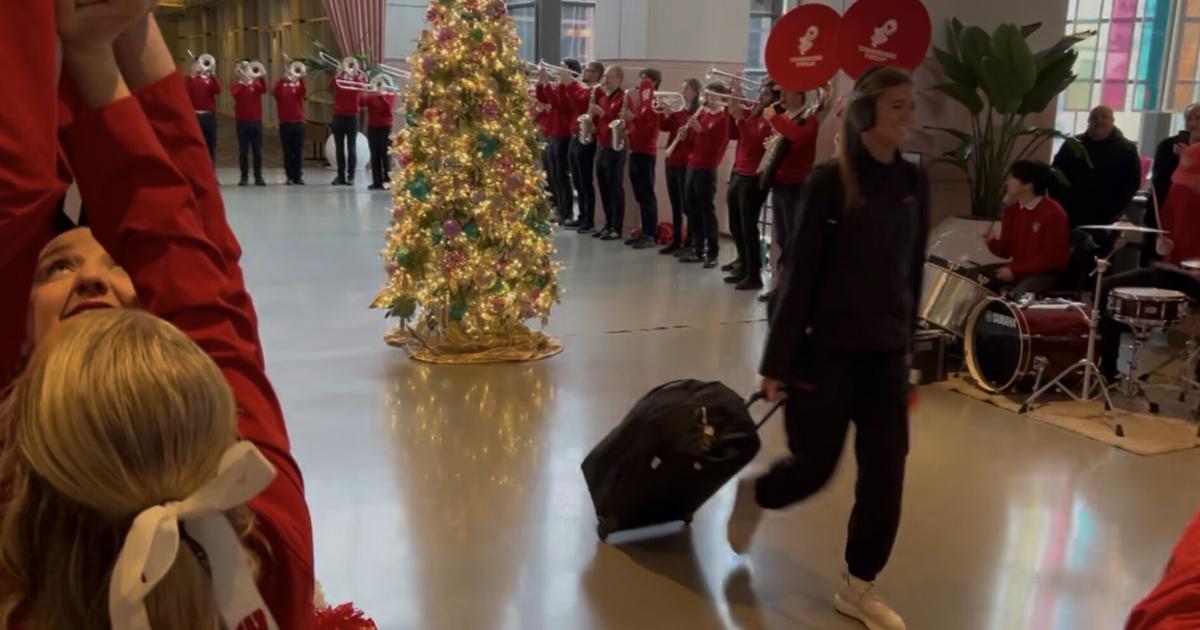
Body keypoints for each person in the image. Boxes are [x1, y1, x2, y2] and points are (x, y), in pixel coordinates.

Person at [1, 5, 314, 628]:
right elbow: (194, 250)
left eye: (120, 265)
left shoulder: (15, 557)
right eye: (59, 267)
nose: (92, 277)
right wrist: (110, 41)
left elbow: (17, 201)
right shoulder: (259, 540)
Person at [727, 66, 927, 630]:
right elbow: (798, 278)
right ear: (867, 113)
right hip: (827, 352)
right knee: (815, 467)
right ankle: (760, 493)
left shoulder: (914, 182)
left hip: (886, 357)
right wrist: (777, 363)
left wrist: (909, 354)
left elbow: (911, 273)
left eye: (911, 104)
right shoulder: (828, 183)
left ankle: (860, 585)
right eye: (897, 105)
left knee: (886, 473)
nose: (908, 115)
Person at [1099, 143, 1200, 384]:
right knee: (1107, 287)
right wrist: (1162, 243)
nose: (1186, 184)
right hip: (1173, 271)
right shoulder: (1178, 191)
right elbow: (1165, 231)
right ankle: (1108, 371)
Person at [762, 82, 832, 270]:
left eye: (787, 91)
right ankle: (783, 275)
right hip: (779, 181)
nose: (782, 95)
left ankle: (791, 276)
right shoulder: (786, 116)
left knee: (793, 235)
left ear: (800, 95)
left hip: (796, 184)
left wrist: (774, 118)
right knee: (781, 235)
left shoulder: (809, 118)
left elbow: (798, 136)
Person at [979, 160, 1070, 296]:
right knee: (978, 278)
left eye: (1013, 178)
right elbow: (1006, 251)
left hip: (1046, 273)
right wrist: (991, 240)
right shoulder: (1011, 211)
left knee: (1022, 293)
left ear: (1028, 184)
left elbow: (1051, 258)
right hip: (1019, 268)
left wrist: (1015, 271)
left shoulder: (1054, 212)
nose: (1007, 182)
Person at [723, 80, 781, 290]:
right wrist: (732, 111)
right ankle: (743, 263)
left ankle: (753, 273)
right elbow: (733, 134)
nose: (760, 97)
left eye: (766, 94)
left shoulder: (773, 117)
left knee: (748, 226)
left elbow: (755, 142)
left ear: (775, 98)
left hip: (754, 175)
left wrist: (740, 119)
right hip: (739, 170)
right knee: (735, 223)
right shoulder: (755, 113)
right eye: (761, 93)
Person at [1051, 105, 1142, 232]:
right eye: (1094, 117)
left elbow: (1131, 183)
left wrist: (1113, 210)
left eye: (1104, 117)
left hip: (1107, 217)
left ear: (1112, 120)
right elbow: (1056, 174)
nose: (1099, 120)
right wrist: (1061, 204)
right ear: (1088, 121)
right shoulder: (1073, 144)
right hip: (1071, 213)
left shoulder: (1126, 149)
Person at [680, 83, 733, 268]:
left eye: (713, 95)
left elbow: (717, 145)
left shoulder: (723, 118)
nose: (709, 98)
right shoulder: (702, 113)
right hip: (693, 165)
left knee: (706, 210)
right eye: (707, 94)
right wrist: (686, 136)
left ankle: (712, 252)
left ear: (721, 97)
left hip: (707, 168)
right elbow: (693, 144)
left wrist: (702, 131)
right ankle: (697, 249)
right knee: (691, 208)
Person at [1144, 103, 1200, 263]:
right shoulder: (1167, 146)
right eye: (1189, 118)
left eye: (1198, 118)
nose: (1192, 123)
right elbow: (1160, 185)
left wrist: (1190, 156)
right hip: (1170, 215)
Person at [659, 79, 701, 256]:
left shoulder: (695, 113)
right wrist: (663, 113)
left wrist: (673, 114)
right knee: (675, 205)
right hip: (671, 161)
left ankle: (690, 242)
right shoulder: (679, 111)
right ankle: (676, 240)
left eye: (686, 89)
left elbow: (687, 132)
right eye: (682, 88)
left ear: (695, 92)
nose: (682, 92)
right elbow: (664, 127)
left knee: (687, 206)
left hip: (685, 163)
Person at [622, 68, 663, 249]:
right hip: (635, 150)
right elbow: (638, 124)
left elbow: (649, 127)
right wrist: (628, 129)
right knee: (639, 194)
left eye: (645, 79)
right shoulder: (641, 104)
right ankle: (645, 231)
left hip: (646, 153)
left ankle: (650, 234)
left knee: (647, 195)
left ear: (653, 82)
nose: (641, 83)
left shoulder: (654, 103)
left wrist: (632, 118)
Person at [563, 61, 604, 235]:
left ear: (597, 74)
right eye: (586, 70)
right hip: (575, 135)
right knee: (577, 181)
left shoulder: (596, 90)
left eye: (590, 71)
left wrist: (570, 84)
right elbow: (572, 104)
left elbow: (579, 103)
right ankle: (581, 216)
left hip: (586, 137)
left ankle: (589, 219)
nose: (586, 73)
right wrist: (568, 85)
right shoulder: (583, 88)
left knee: (585, 181)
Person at [538, 59, 581, 226]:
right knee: (554, 174)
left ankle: (567, 211)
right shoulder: (561, 86)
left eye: (563, 68)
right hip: (554, 132)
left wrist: (558, 85)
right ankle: (560, 209)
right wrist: (543, 81)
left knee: (562, 174)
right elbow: (544, 98)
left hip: (564, 133)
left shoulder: (575, 87)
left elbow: (561, 103)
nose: (559, 71)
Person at [594, 65, 627, 241]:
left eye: (609, 76)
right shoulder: (603, 98)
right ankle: (608, 223)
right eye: (605, 76)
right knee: (604, 187)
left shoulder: (623, 98)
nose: (605, 80)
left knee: (615, 187)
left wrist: (602, 114)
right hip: (602, 146)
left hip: (615, 148)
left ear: (619, 79)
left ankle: (617, 227)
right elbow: (602, 124)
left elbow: (618, 123)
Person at [231, 60, 268, 186]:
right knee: (243, 152)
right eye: (243, 68)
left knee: (257, 152)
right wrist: (245, 82)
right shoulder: (236, 86)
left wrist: (261, 76)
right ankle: (244, 177)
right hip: (242, 123)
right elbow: (235, 94)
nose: (245, 70)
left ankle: (258, 177)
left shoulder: (256, 85)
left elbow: (264, 90)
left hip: (256, 123)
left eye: (247, 68)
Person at [329, 63, 364, 186]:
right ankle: (340, 176)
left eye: (352, 66)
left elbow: (360, 89)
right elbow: (331, 86)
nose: (350, 69)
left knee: (351, 147)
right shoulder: (339, 79)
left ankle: (351, 176)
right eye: (349, 66)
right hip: (338, 116)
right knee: (339, 148)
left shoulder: (358, 80)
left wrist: (356, 76)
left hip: (352, 117)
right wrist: (337, 74)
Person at [273, 67, 308, 185]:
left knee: (298, 151)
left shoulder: (297, 87)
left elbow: (303, 91)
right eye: (287, 73)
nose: (290, 75)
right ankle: (289, 176)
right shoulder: (281, 87)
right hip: (285, 123)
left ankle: (298, 176)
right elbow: (275, 92)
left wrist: (301, 79)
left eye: (291, 73)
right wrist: (281, 80)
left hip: (298, 123)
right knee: (287, 151)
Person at [185, 55, 221, 164]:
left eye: (199, 64)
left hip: (209, 117)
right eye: (196, 64)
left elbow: (218, 90)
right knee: (195, 146)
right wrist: (192, 75)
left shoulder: (209, 79)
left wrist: (213, 74)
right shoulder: (188, 80)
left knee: (210, 145)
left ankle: (211, 171)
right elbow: (185, 91)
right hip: (195, 116)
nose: (198, 66)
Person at [365, 79, 396, 191]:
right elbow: (361, 103)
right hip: (372, 128)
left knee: (386, 155)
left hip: (385, 129)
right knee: (375, 155)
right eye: (378, 84)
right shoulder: (372, 96)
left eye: (381, 84)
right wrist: (368, 92)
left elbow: (388, 108)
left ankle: (388, 181)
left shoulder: (390, 95)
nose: (379, 86)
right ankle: (376, 182)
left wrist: (382, 95)